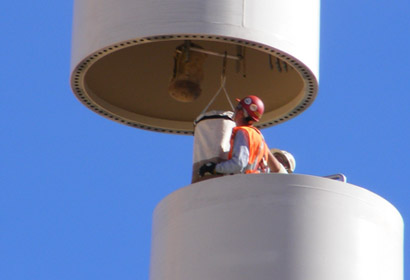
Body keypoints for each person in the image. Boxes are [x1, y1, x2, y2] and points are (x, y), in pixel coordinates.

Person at [199, 95, 287, 177]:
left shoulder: (243, 133)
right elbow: (273, 167)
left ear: (241, 113)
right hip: (255, 181)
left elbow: (238, 164)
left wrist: (214, 168)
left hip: (244, 182)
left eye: (237, 107)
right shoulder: (258, 136)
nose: (235, 110)